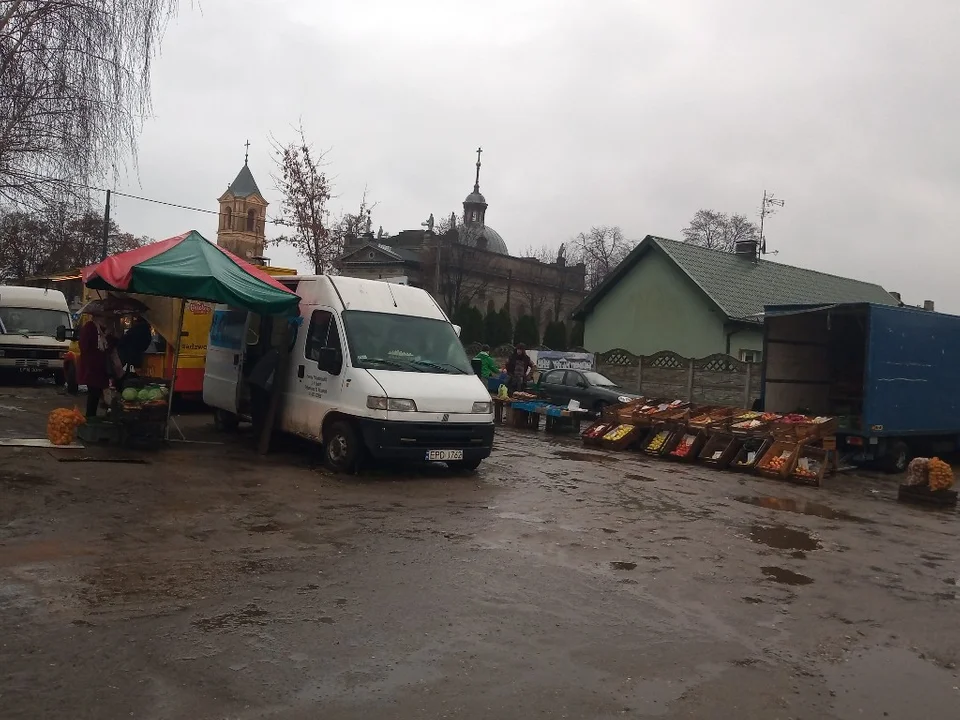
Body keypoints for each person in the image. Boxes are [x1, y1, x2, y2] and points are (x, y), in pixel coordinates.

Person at [77, 316, 113, 418]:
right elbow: (83, 346)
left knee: (98, 395)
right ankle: (90, 418)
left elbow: (109, 346)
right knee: (93, 394)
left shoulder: (105, 330)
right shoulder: (90, 327)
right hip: (91, 368)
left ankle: (94, 417)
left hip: (101, 370)